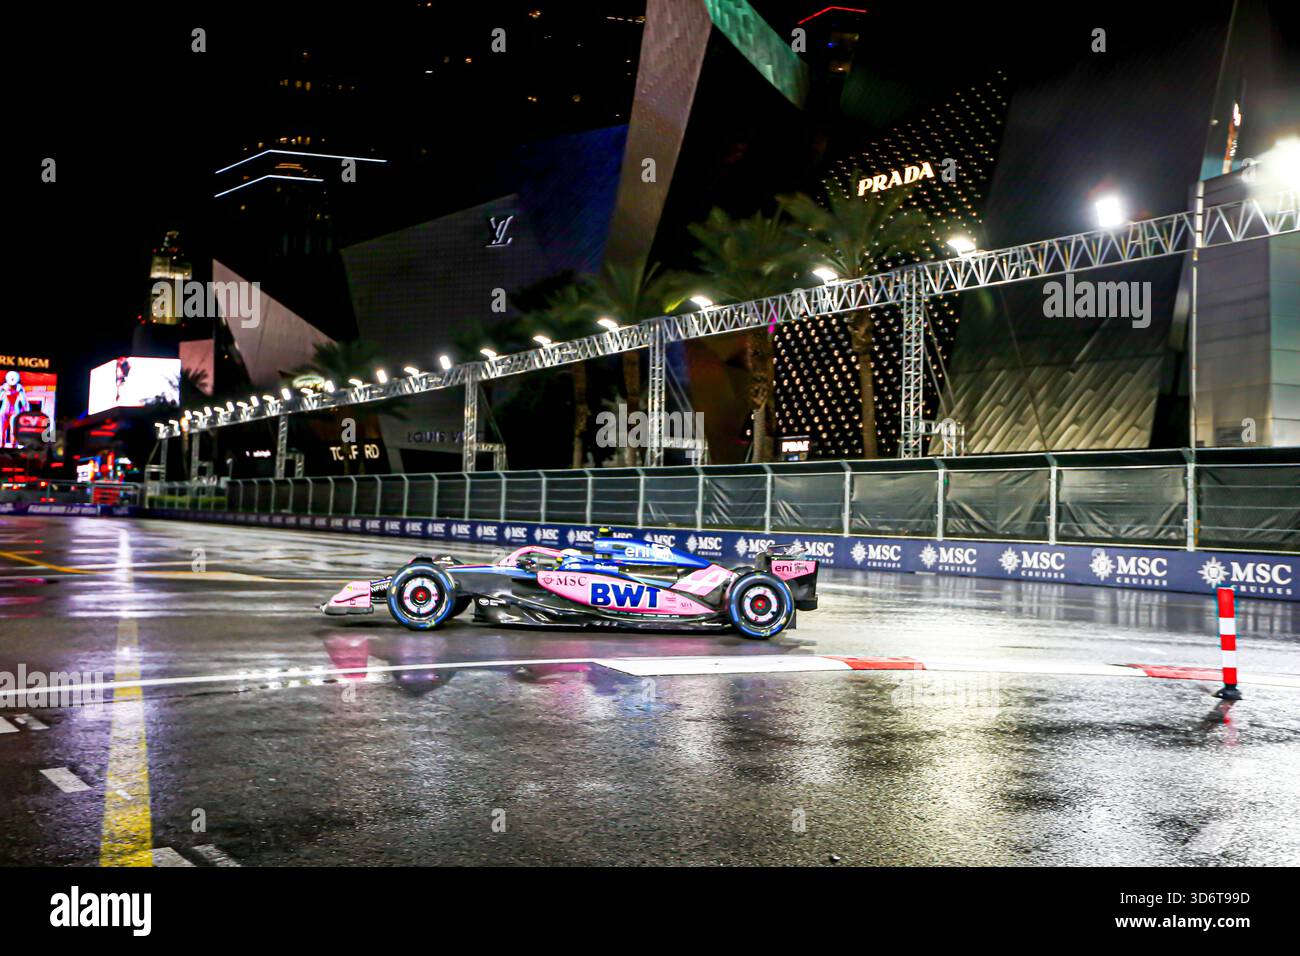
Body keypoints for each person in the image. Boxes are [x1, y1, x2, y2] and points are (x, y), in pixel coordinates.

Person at [0, 371, 30, 448]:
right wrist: (2, 390)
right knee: (2, 430)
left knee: (14, 431)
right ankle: (1, 447)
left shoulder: (19, 388)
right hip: (4, 411)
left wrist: (26, 411)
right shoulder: (3, 387)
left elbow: (24, 401)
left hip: (15, 412)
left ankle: (13, 448)